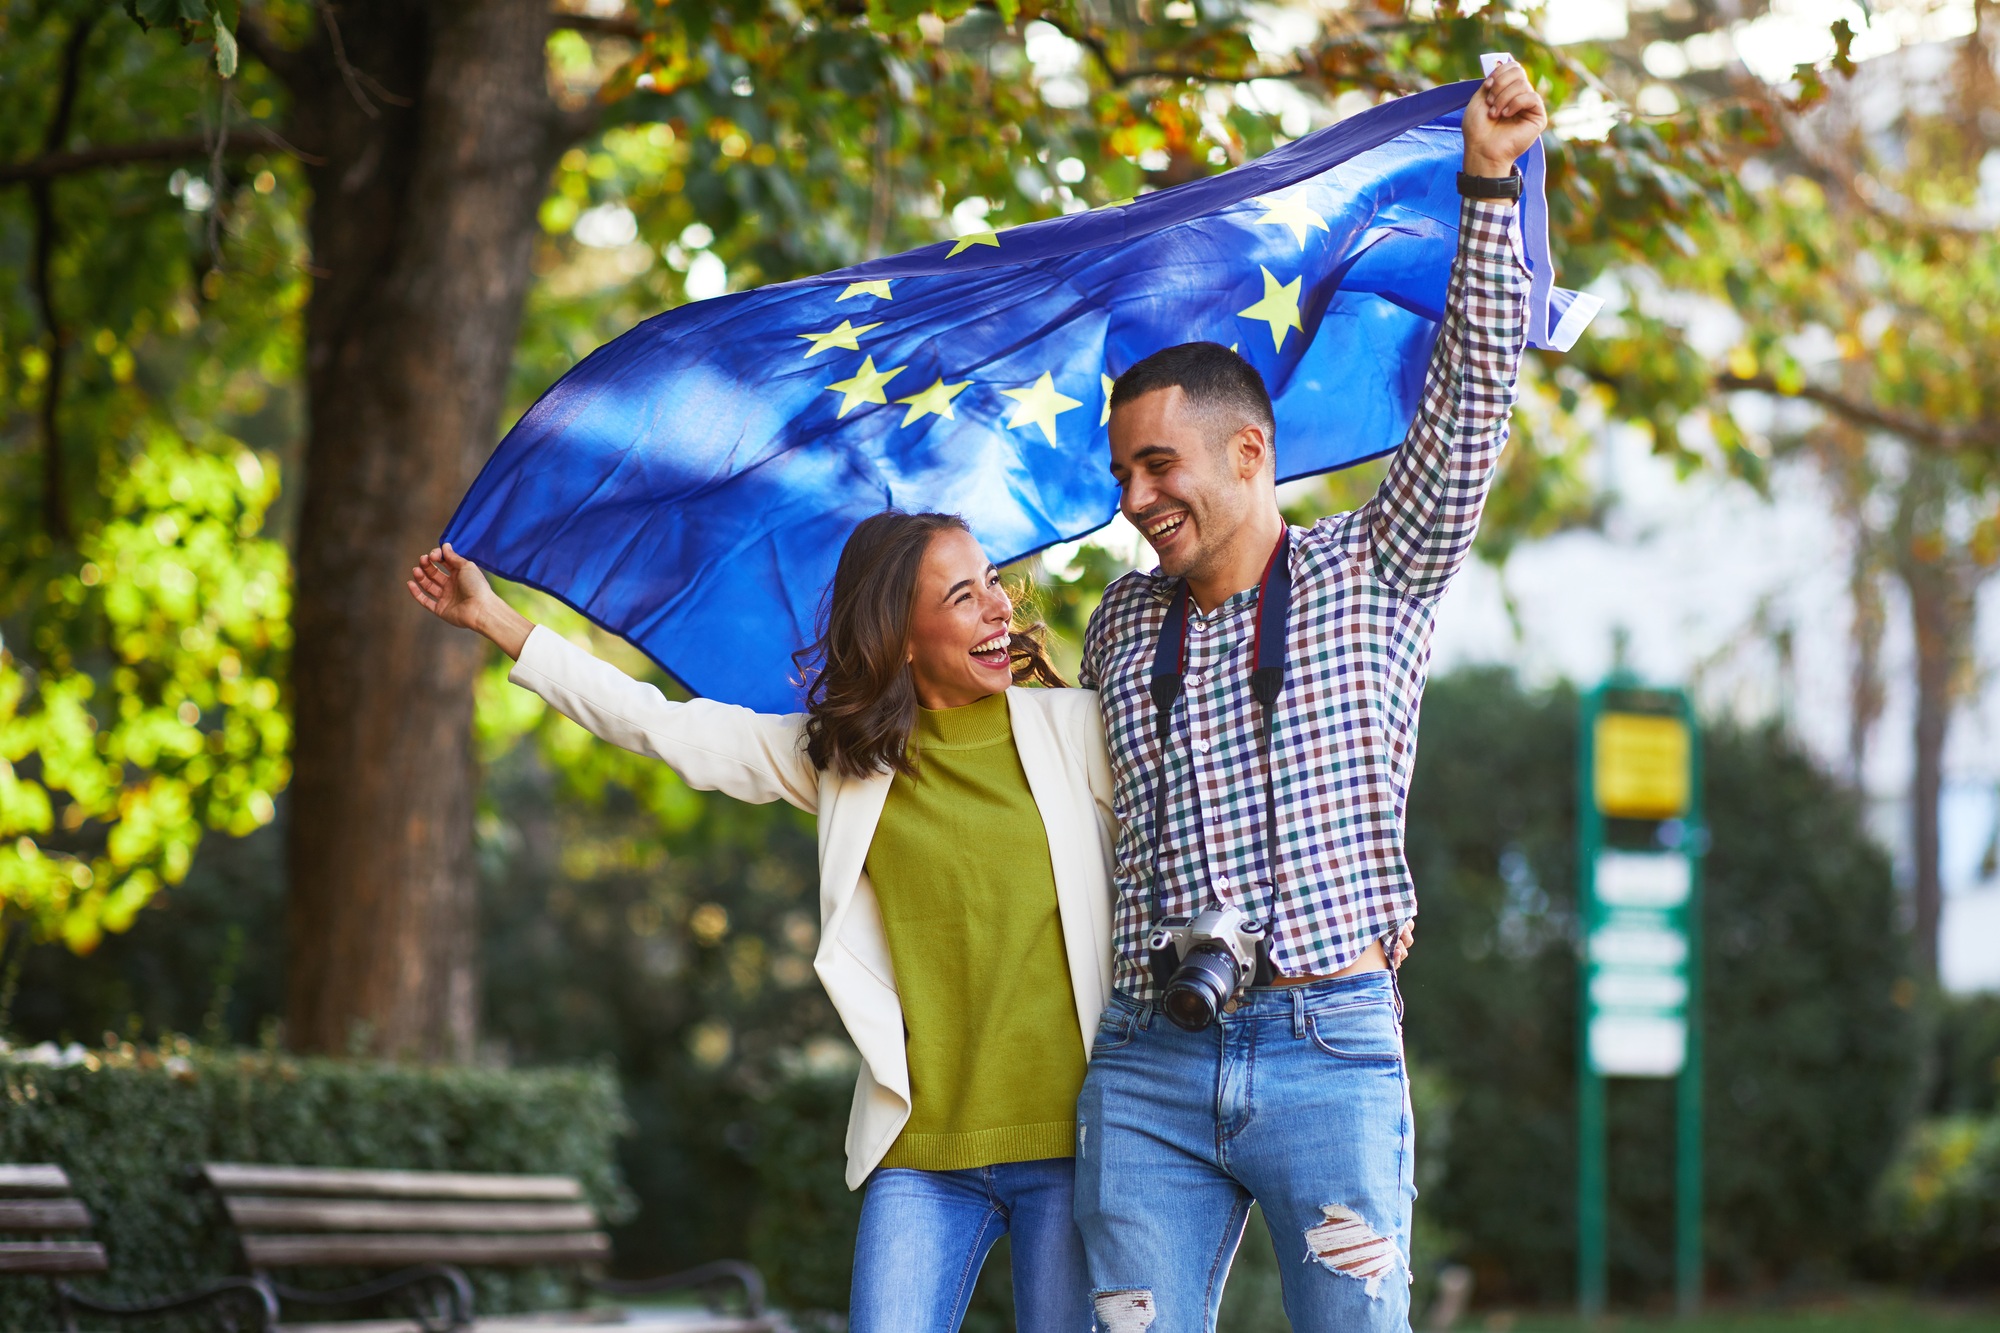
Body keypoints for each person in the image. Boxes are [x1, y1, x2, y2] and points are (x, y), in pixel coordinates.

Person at [1072, 61, 1549, 1332]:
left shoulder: (1374, 569)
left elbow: (1470, 399)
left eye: (1156, 465)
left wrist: (1485, 185)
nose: (1134, 500)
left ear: (1248, 451)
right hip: (1145, 1055)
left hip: (1325, 1045)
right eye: (1121, 475)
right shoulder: (1118, 622)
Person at [405, 512, 1116, 1333]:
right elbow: (660, 724)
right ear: (901, 639)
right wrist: (494, 617)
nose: (999, 607)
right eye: (963, 596)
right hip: (922, 1156)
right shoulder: (848, 760)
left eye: (991, 580)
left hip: (1070, 1147)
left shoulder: (1077, 731)